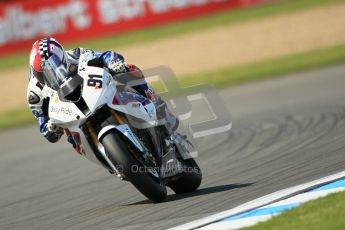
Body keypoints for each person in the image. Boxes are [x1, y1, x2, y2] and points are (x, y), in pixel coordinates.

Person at [27, 37, 177, 145]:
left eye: (56, 65)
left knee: (128, 70)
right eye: (44, 73)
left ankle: (158, 105)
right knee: (72, 138)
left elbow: (106, 55)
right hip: (72, 115)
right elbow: (46, 131)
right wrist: (51, 128)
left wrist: (113, 63)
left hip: (94, 92)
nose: (53, 73)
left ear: (62, 56)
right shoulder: (35, 94)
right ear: (36, 73)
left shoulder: (76, 54)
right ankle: (110, 158)